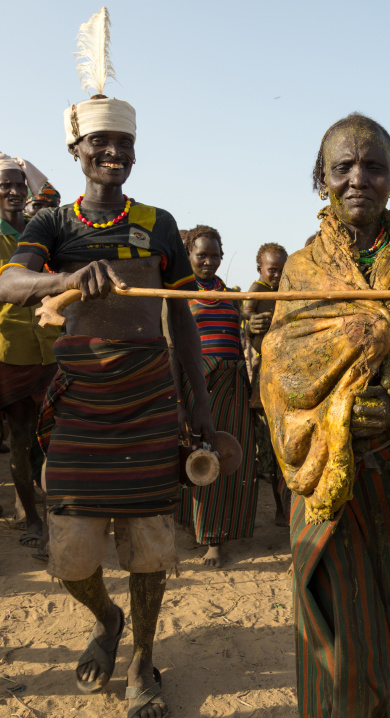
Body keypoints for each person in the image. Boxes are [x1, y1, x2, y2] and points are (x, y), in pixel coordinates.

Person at [0, 98, 214, 718]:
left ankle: (143, 657)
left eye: (124, 141)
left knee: (150, 545)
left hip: (150, 401)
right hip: (80, 404)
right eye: (100, 143)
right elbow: (9, 285)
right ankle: (107, 616)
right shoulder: (54, 225)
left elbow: (182, 319)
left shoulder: (159, 223)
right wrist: (63, 281)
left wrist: (200, 407)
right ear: (76, 151)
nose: (113, 152)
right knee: (69, 553)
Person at [261, 113, 390, 717]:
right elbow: (280, 370)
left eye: (373, 166)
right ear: (321, 178)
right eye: (342, 167)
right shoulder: (300, 269)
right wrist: (340, 406)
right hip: (327, 471)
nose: (357, 179)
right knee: (335, 625)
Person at [176, 225, 258, 568]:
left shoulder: (232, 295)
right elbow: (175, 348)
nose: (208, 261)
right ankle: (206, 535)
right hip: (200, 386)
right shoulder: (179, 295)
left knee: (231, 458)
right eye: (201, 255)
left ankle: (222, 532)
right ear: (189, 256)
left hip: (234, 383)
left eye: (214, 255)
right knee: (201, 454)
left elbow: (241, 337)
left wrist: (249, 327)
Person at [0, 154, 60, 547]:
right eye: (5, 184)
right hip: (8, 351)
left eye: (20, 185)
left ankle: (45, 517)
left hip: (46, 350)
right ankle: (33, 520)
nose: (15, 191)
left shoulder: (39, 230)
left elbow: (52, 195)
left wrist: (26, 165)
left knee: (44, 439)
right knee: (19, 441)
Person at [243, 243, 290, 525]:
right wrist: (250, 325)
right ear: (260, 268)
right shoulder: (256, 290)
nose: (277, 275)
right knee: (271, 454)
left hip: (289, 371)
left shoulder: (288, 290)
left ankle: (285, 509)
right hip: (265, 373)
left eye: (281, 270)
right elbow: (245, 317)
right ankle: (279, 509)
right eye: (272, 269)